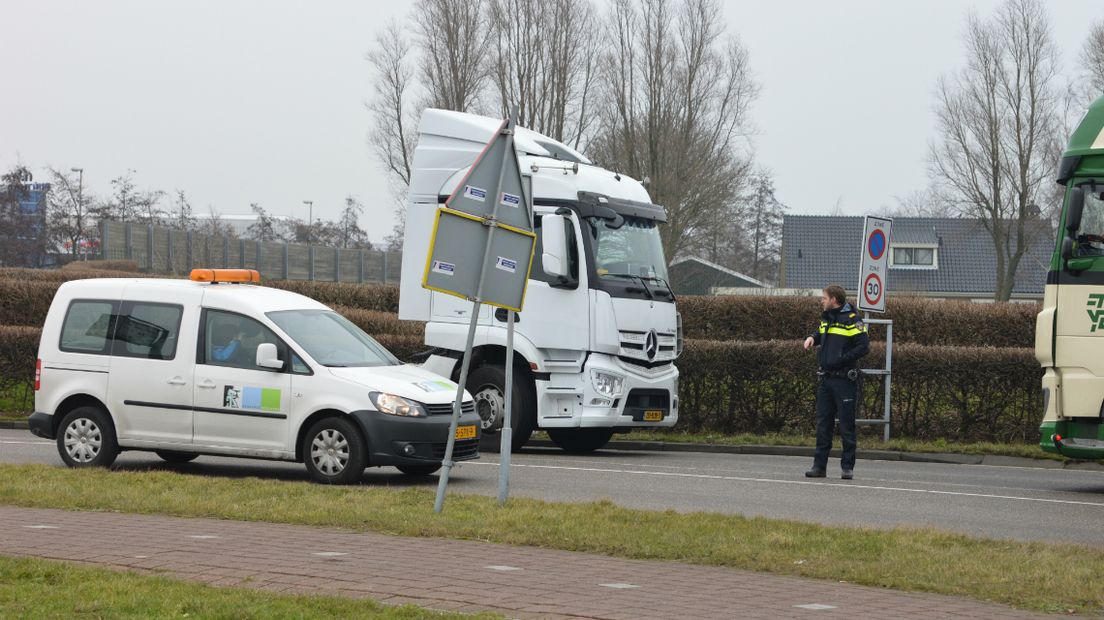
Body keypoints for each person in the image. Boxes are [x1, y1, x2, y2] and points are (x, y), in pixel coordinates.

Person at [802, 284, 870, 480]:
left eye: (824, 298)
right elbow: (823, 335)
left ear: (834, 300)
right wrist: (812, 338)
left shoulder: (852, 320)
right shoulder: (827, 318)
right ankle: (819, 466)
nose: (822, 301)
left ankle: (847, 467)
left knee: (847, 425)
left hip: (844, 380)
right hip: (826, 378)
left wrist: (842, 358)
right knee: (823, 424)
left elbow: (864, 346)